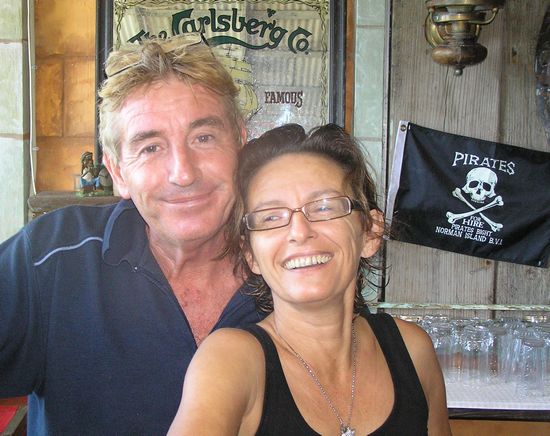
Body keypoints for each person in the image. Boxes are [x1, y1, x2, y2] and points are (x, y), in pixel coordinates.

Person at [0, 33, 265, 435]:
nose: (183, 173)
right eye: (150, 147)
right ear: (118, 172)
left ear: (241, 144)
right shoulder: (52, 257)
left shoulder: (291, 262)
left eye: (204, 138)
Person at [168, 123, 452, 435]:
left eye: (324, 207)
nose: (299, 232)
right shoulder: (232, 361)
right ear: (251, 255)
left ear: (370, 233)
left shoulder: (412, 351)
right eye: (271, 217)